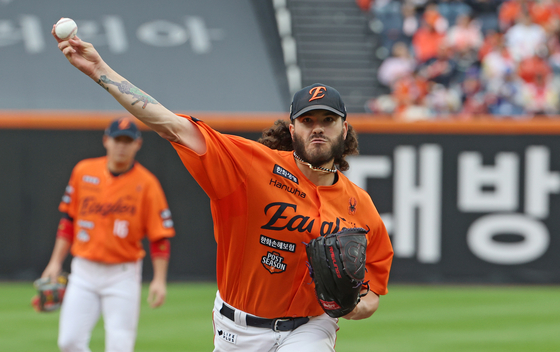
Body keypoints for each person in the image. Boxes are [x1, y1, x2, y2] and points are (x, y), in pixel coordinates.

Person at [51, 25, 393, 352]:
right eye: (307, 121)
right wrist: (100, 71)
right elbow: (171, 126)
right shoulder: (249, 166)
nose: (317, 129)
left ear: (344, 128)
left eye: (328, 121)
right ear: (292, 129)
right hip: (237, 330)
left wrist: (352, 307)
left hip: (310, 327)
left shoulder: (359, 207)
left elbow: (373, 290)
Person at [40, 117, 176, 352]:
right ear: (106, 140)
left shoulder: (148, 184)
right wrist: (55, 262)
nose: (122, 145)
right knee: (68, 342)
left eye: (127, 141)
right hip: (83, 270)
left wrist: (159, 279)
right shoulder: (83, 171)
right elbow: (68, 221)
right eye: (117, 140)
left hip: (122, 274)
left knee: (120, 346)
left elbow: (159, 237)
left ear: (137, 145)